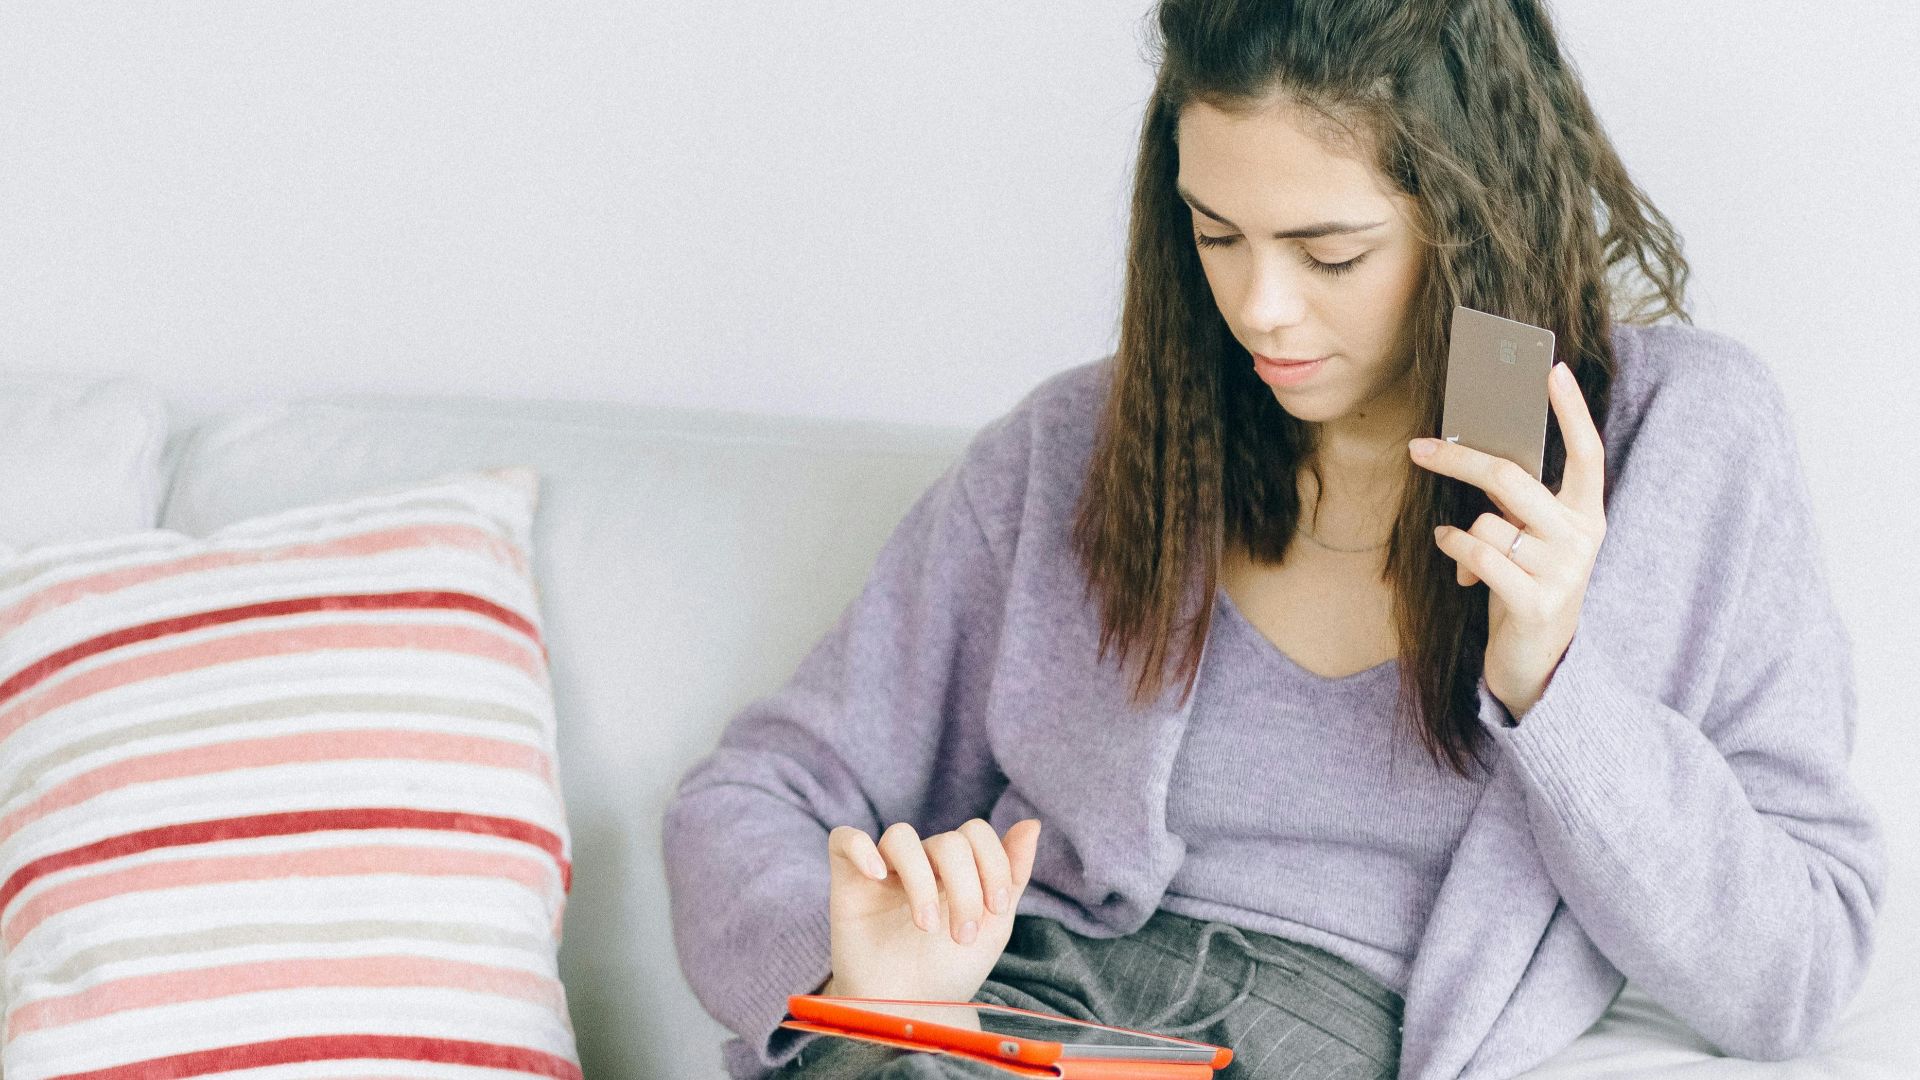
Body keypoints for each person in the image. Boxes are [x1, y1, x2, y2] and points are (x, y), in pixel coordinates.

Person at [663, 1, 1887, 1077]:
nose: (1260, 307)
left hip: (1325, 1024)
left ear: (1474, 219)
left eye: (1331, 252)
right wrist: (855, 988)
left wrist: (1554, 680)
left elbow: (1796, 974)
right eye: (1214, 235)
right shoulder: (1071, 449)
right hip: (1006, 1015)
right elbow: (750, 796)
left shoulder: (1686, 440)